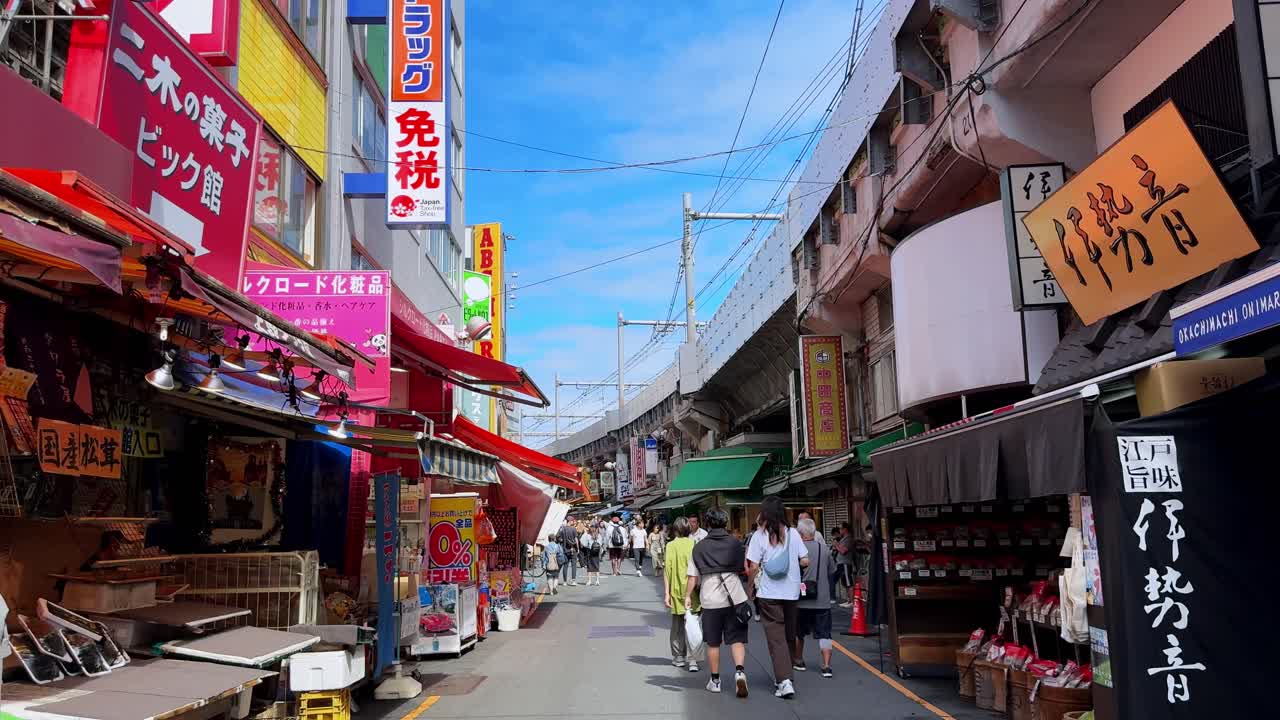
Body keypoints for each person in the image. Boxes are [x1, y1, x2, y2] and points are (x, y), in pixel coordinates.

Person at [746, 496, 809, 699]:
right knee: (789, 635)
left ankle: (784, 681)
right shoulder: (793, 534)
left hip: (769, 593)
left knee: (776, 638)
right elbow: (805, 560)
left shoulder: (759, 536)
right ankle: (786, 675)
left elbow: (754, 566)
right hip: (791, 592)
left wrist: (750, 587)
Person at [685, 507, 750, 698]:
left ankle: (715, 681)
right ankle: (739, 672)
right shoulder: (735, 544)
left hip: (710, 599)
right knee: (737, 639)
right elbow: (742, 569)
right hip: (735, 597)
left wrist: (688, 596)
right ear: (725, 523)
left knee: (713, 642)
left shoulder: (699, 547)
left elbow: (692, 577)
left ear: (708, 523)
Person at [795, 518, 836, 678]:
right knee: (825, 633)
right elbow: (831, 570)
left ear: (800, 533)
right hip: (822, 599)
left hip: (801, 600)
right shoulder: (824, 549)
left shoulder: (796, 550)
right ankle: (826, 666)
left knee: (799, 633)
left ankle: (798, 660)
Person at [662, 518, 701, 672]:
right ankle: (693, 660)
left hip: (677, 590)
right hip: (693, 591)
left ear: (675, 530)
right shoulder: (694, 544)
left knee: (677, 626)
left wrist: (666, 593)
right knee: (693, 625)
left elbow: (667, 571)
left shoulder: (671, 545)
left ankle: (679, 657)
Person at [835, 522, 856, 608]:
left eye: (840, 528)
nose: (839, 530)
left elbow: (843, 551)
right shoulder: (843, 538)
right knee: (845, 582)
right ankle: (849, 600)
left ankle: (852, 601)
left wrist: (836, 545)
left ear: (845, 529)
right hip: (841, 563)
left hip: (846, 563)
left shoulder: (848, 539)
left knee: (849, 582)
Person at [556, 520, 581, 587]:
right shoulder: (573, 529)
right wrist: (578, 548)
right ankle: (573, 581)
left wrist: (562, 540)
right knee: (573, 565)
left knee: (565, 565)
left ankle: (564, 582)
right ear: (570, 521)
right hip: (573, 549)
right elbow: (576, 539)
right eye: (573, 521)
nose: (574, 522)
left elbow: (557, 537)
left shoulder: (562, 529)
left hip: (565, 549)